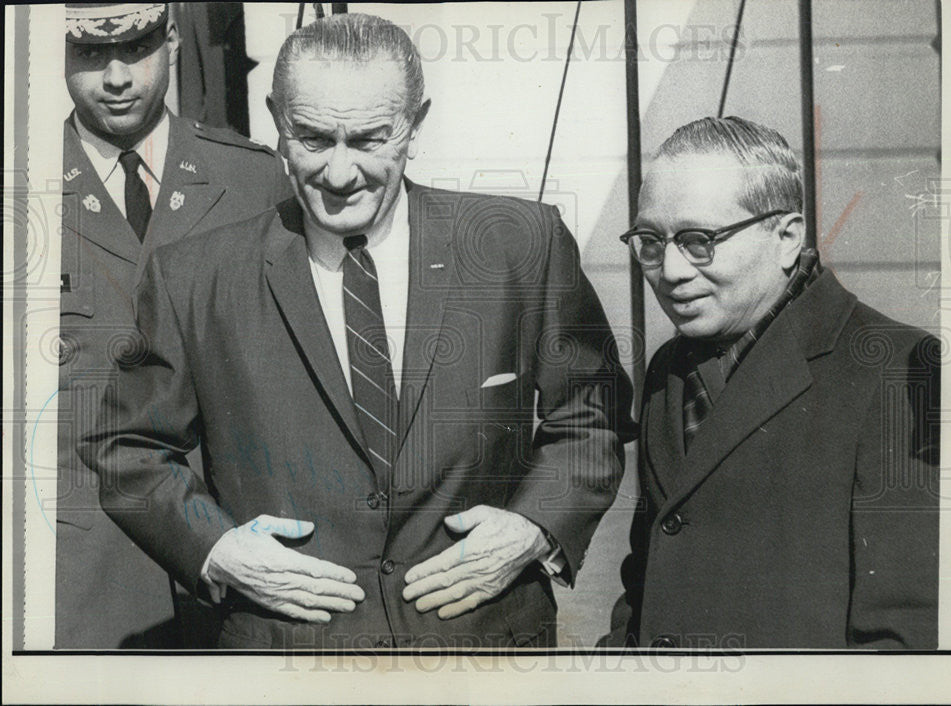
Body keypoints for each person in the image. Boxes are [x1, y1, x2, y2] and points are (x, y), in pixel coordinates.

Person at [80, 13, 636, 649]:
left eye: (370, 140)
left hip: (487, 653)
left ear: (415, 125)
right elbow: (127, 449)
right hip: (288, 658)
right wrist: (218, 549)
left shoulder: (521, 245)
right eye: (313, 139)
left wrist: (535, 527)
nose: (340, 175)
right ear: (276, 123)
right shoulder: (193, 277)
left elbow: (592, 416)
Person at [604, 116, 940, 649]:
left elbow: (905, 640)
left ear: (787, 238)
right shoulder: (668, 369)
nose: (668, 271)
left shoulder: (901, 369)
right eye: (649, 240)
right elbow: (647, 579)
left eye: (698, 240)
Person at [58, 2, 292, 648]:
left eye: (134, 47)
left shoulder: (254, 180)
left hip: (245, 565)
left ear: (170, 39)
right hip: (84, 584)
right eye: (86, 54)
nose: (115, 77)